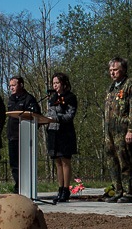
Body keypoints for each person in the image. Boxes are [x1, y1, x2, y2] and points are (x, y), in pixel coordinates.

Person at [103, 57, 132, 203]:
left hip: (124, 130)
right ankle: (118, 190)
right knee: (112, 161)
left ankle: (128, 192)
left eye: (115, 70)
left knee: (126, 161)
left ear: (123, 70)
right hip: (110, 132)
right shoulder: (111, 87)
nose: (112, 73)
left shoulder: (131, 86)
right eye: (111, 70)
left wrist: (131, 130)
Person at [45, 72, 78, 203]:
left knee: (65, 160)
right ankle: (59, 188)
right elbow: (49, 112)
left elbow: (70, 115)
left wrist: (56, 118)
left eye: (57, 83)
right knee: (57, 162)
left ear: (64, 84)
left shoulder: (70, 97)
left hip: (65, 132)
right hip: (53, 132)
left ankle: (66, 189)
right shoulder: (52, 98)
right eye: (53, 83)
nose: (55, 85)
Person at [6, 75, 40, 193]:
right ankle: (17, 187)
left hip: (24, 137)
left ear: (21, 85)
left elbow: (36, 116)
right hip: (12, 136)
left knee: (25, 164)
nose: (11, 88)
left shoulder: (29, 99)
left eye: (13, 85)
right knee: (14, 164)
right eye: (10, 85)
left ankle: (27, 187)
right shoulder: (11, 99)